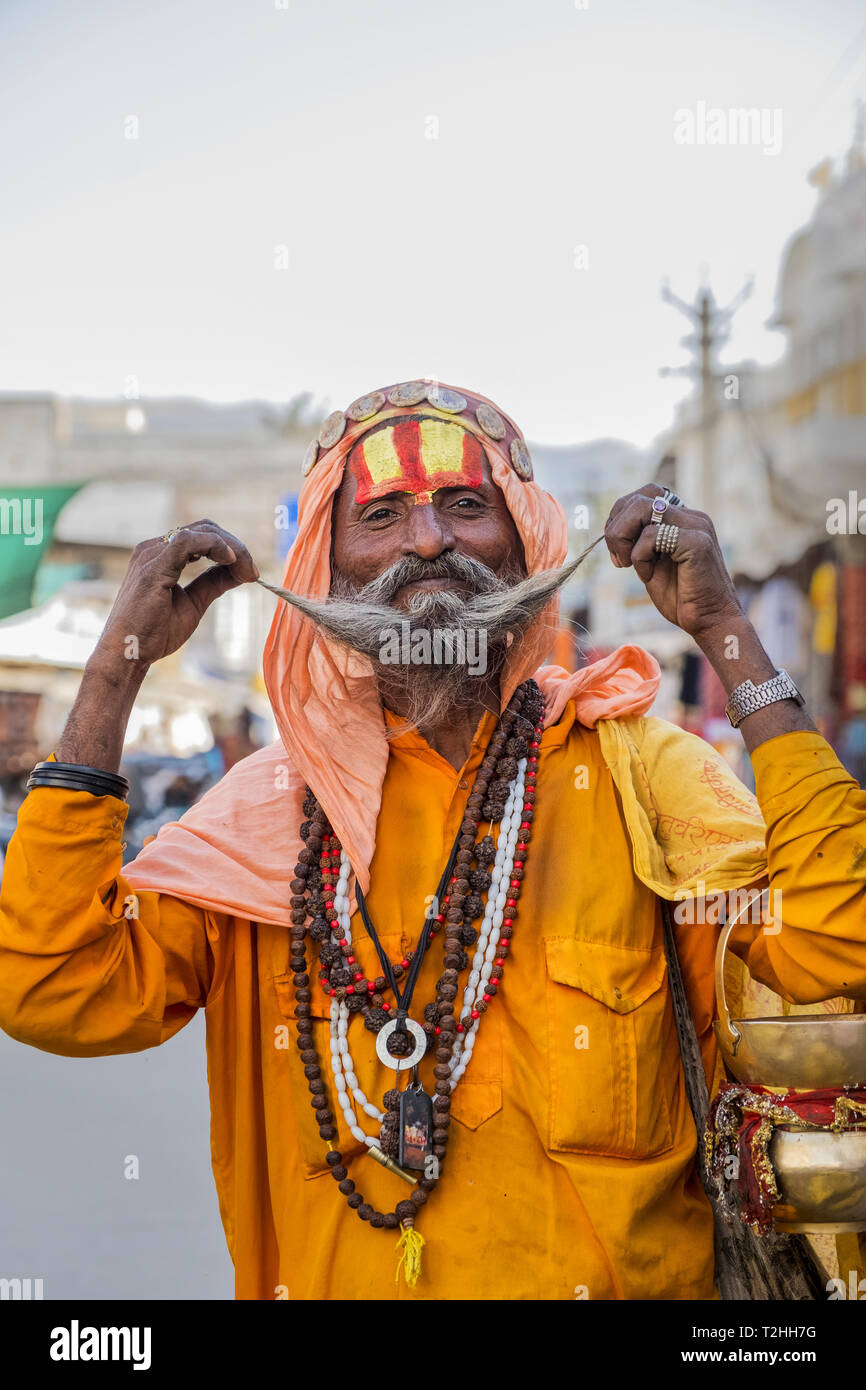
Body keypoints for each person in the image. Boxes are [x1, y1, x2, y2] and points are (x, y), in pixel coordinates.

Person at [1, 380, 864, 1301]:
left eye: (464, 504)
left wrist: (727, 631)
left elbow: (841, 946)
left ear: (524, 538)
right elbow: (53, 988)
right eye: (380, 514)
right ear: (326, 563)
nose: (428, 541)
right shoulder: (269, 814)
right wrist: (113, 670)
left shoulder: (644, 779)